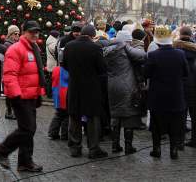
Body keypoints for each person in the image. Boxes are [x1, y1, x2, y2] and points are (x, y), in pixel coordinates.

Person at [0, 21, 45, 173]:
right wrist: (16, 95)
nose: (35, 34)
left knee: (29, 129)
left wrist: (39, 92)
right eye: (31, 32)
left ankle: (25, 162)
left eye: (37, 32)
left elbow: (35, 72)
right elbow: (9, 74)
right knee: (27, 129)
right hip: (20, 96)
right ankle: (2, 150)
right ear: (23, 32)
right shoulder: (16, 49)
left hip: (31, 95)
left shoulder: (33, 48)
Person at [63, 24, 108, 159]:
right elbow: (102, 69)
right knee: (92, 118)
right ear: (92, 35)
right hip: (91, 88)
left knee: (74, 116)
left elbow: (64, 64)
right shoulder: (95, 48)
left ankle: (75, 147)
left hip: (74, 86)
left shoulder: (69, 46)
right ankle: (93, 148)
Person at [145, 26, 188, 159]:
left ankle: (156, 149)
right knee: (175, 124)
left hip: (158, 95)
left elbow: (146, 73)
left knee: (156, 124)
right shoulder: (180, 54)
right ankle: (173, 150)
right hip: (176, 95)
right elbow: (186, 74)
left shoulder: (153, 55)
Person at [103, 29, 146, 154]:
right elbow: (143, 56)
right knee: (129, 116)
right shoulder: (125, 48)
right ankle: (128, 146)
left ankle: (115, 145)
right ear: (126, 40)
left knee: (115, 115)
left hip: (111, 86)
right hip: (127, 86)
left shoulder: (107, 50)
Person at [173, 26, 196, 148]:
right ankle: (194, 140)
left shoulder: (175, 50)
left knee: (180, 115)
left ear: (180, 35)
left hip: (180, 86)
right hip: (194, 86)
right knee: (194, 115)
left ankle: (179, 141)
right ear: (191, 35)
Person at [47, 64, 69, 141]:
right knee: (66, 115)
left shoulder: (56, 69)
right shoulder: (68, 69)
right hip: (65, 93)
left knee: (59, 114)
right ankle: (64, 134)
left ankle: (53, 133)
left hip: (57, 92)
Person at [3, 25, 20, 120]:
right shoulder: (7, 45)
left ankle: (10, 111)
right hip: (9, 72)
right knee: (10, 94)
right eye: (15, 33)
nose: (17, 35)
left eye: (18, 33)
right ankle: (9, 111)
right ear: (10, 34)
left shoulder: (15, 44)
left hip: (15, 72)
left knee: (12, 93)